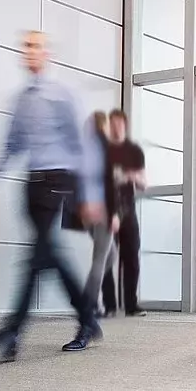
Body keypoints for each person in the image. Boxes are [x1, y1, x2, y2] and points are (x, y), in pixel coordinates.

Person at [0, 31, 104, 363]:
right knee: (48, 256)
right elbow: (11, 145)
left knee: (36, 257)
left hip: (59, 180)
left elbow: (80, 147)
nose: (28, 51)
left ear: (47, 55)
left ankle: (12, 331)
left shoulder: (62, 96)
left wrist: (88, 195)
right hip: (32, 183)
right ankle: (88, 319)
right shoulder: (20, 100)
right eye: (25, 46)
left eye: (35, 46)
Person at [106, 110, 147, 316]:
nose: (116, 128)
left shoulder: (134, 151)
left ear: (125, 125)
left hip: (128, 210)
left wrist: (131, 176)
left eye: (119, 124)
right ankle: (109, 305)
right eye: (112, 124)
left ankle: (131, 304)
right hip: (107, 209)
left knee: (131, 256)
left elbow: (144, 184)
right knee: (106, 256)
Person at [81, 111, 120, 318]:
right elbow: (109, 185)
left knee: (110, 255)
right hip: (103, 210)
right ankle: (89, 304)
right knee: (100, 258)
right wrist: (113, 213)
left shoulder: (85, 149)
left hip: (88, 212)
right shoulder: (106, 148)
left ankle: (87, 297)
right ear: (103, 125)